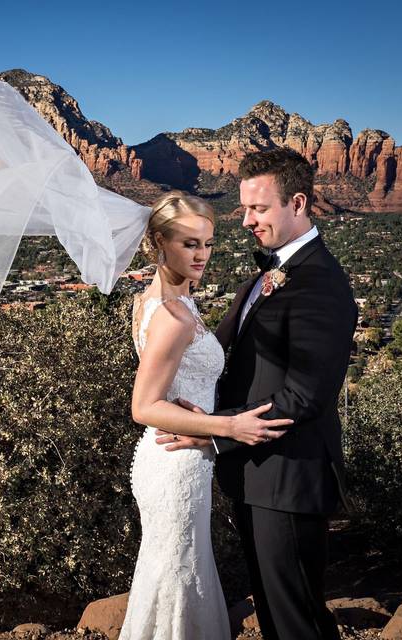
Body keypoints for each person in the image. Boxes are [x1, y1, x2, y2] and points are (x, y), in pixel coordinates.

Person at [159, 148, 358, 640]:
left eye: (259, 209)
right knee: (275, 613)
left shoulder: (322, 284)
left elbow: (306, 394)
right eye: (245, 208)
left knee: (296, 621)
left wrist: (218, 434)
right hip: (257, 474)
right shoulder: (268, 272)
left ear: (297, 203)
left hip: (288, 477)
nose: (246, 220)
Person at [120, 190, 293, 640]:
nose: (202, 255)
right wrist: (229, 426)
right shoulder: (174, 317)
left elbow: (184, 370)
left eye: (209, 243)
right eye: (189, 243)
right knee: (178, 573)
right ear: (159, 243)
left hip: (174, 458)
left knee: (174, 569)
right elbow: (143, 406)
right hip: (175, 461)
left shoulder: (154, 300)